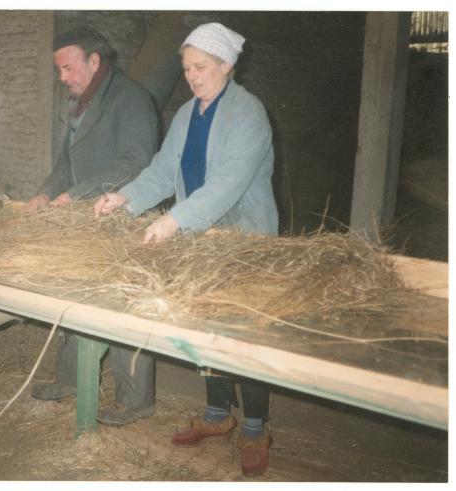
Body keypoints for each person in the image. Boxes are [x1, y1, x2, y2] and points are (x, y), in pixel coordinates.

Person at [94, 23, 278, 476]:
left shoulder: (248, 114)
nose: (192, 76)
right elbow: (162, 171)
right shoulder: (185, 115)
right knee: (205, 325)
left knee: (242, 332)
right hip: (200, 238)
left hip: (243, 239)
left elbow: (227, 185)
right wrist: (128, 198)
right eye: (186, 68)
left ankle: (255, 427)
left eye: (201, 67)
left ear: (227, 66)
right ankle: (218, 415)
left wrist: (174, 218)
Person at [27, 26, 159, 427]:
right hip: (84, 219)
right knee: (75, 292)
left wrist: (80, 194)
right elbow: (65, 164)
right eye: (60, 70)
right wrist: (46, 194)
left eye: (68, 68)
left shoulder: (131, 98)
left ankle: (136, 400)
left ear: (94, 61)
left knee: (123, 306)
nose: (62, 77)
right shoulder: (81, 104)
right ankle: (70, 378)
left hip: (123, 217)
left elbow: (135, 161)